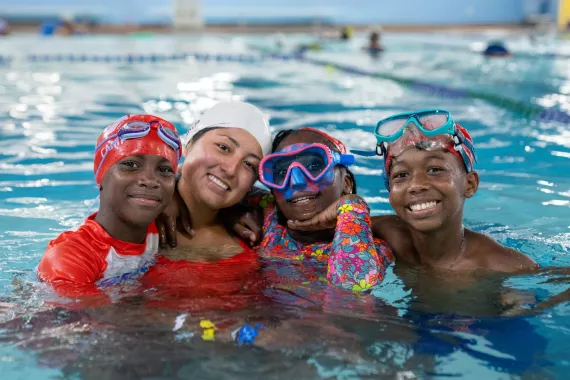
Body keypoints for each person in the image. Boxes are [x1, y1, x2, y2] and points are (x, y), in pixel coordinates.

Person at [291, 109, 537, 273]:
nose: (416, 185)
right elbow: (326, 228)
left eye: (435, 169)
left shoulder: (501, 265)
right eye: (401, 175)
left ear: (470, 184)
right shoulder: (393, 235)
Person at [141, 101, 272, 301]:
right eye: (223, 147)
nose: (230, 168)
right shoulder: (135, 217)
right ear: (188, 144)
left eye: (249, 164)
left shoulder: (258, 232)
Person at [37, 114, 182, 295]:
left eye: (164, 170)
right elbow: (93, 320)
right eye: (131, 164)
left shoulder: (165, 226)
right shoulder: (71, 256)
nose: (150, 180)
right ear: (101, 175)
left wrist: (176, 198)